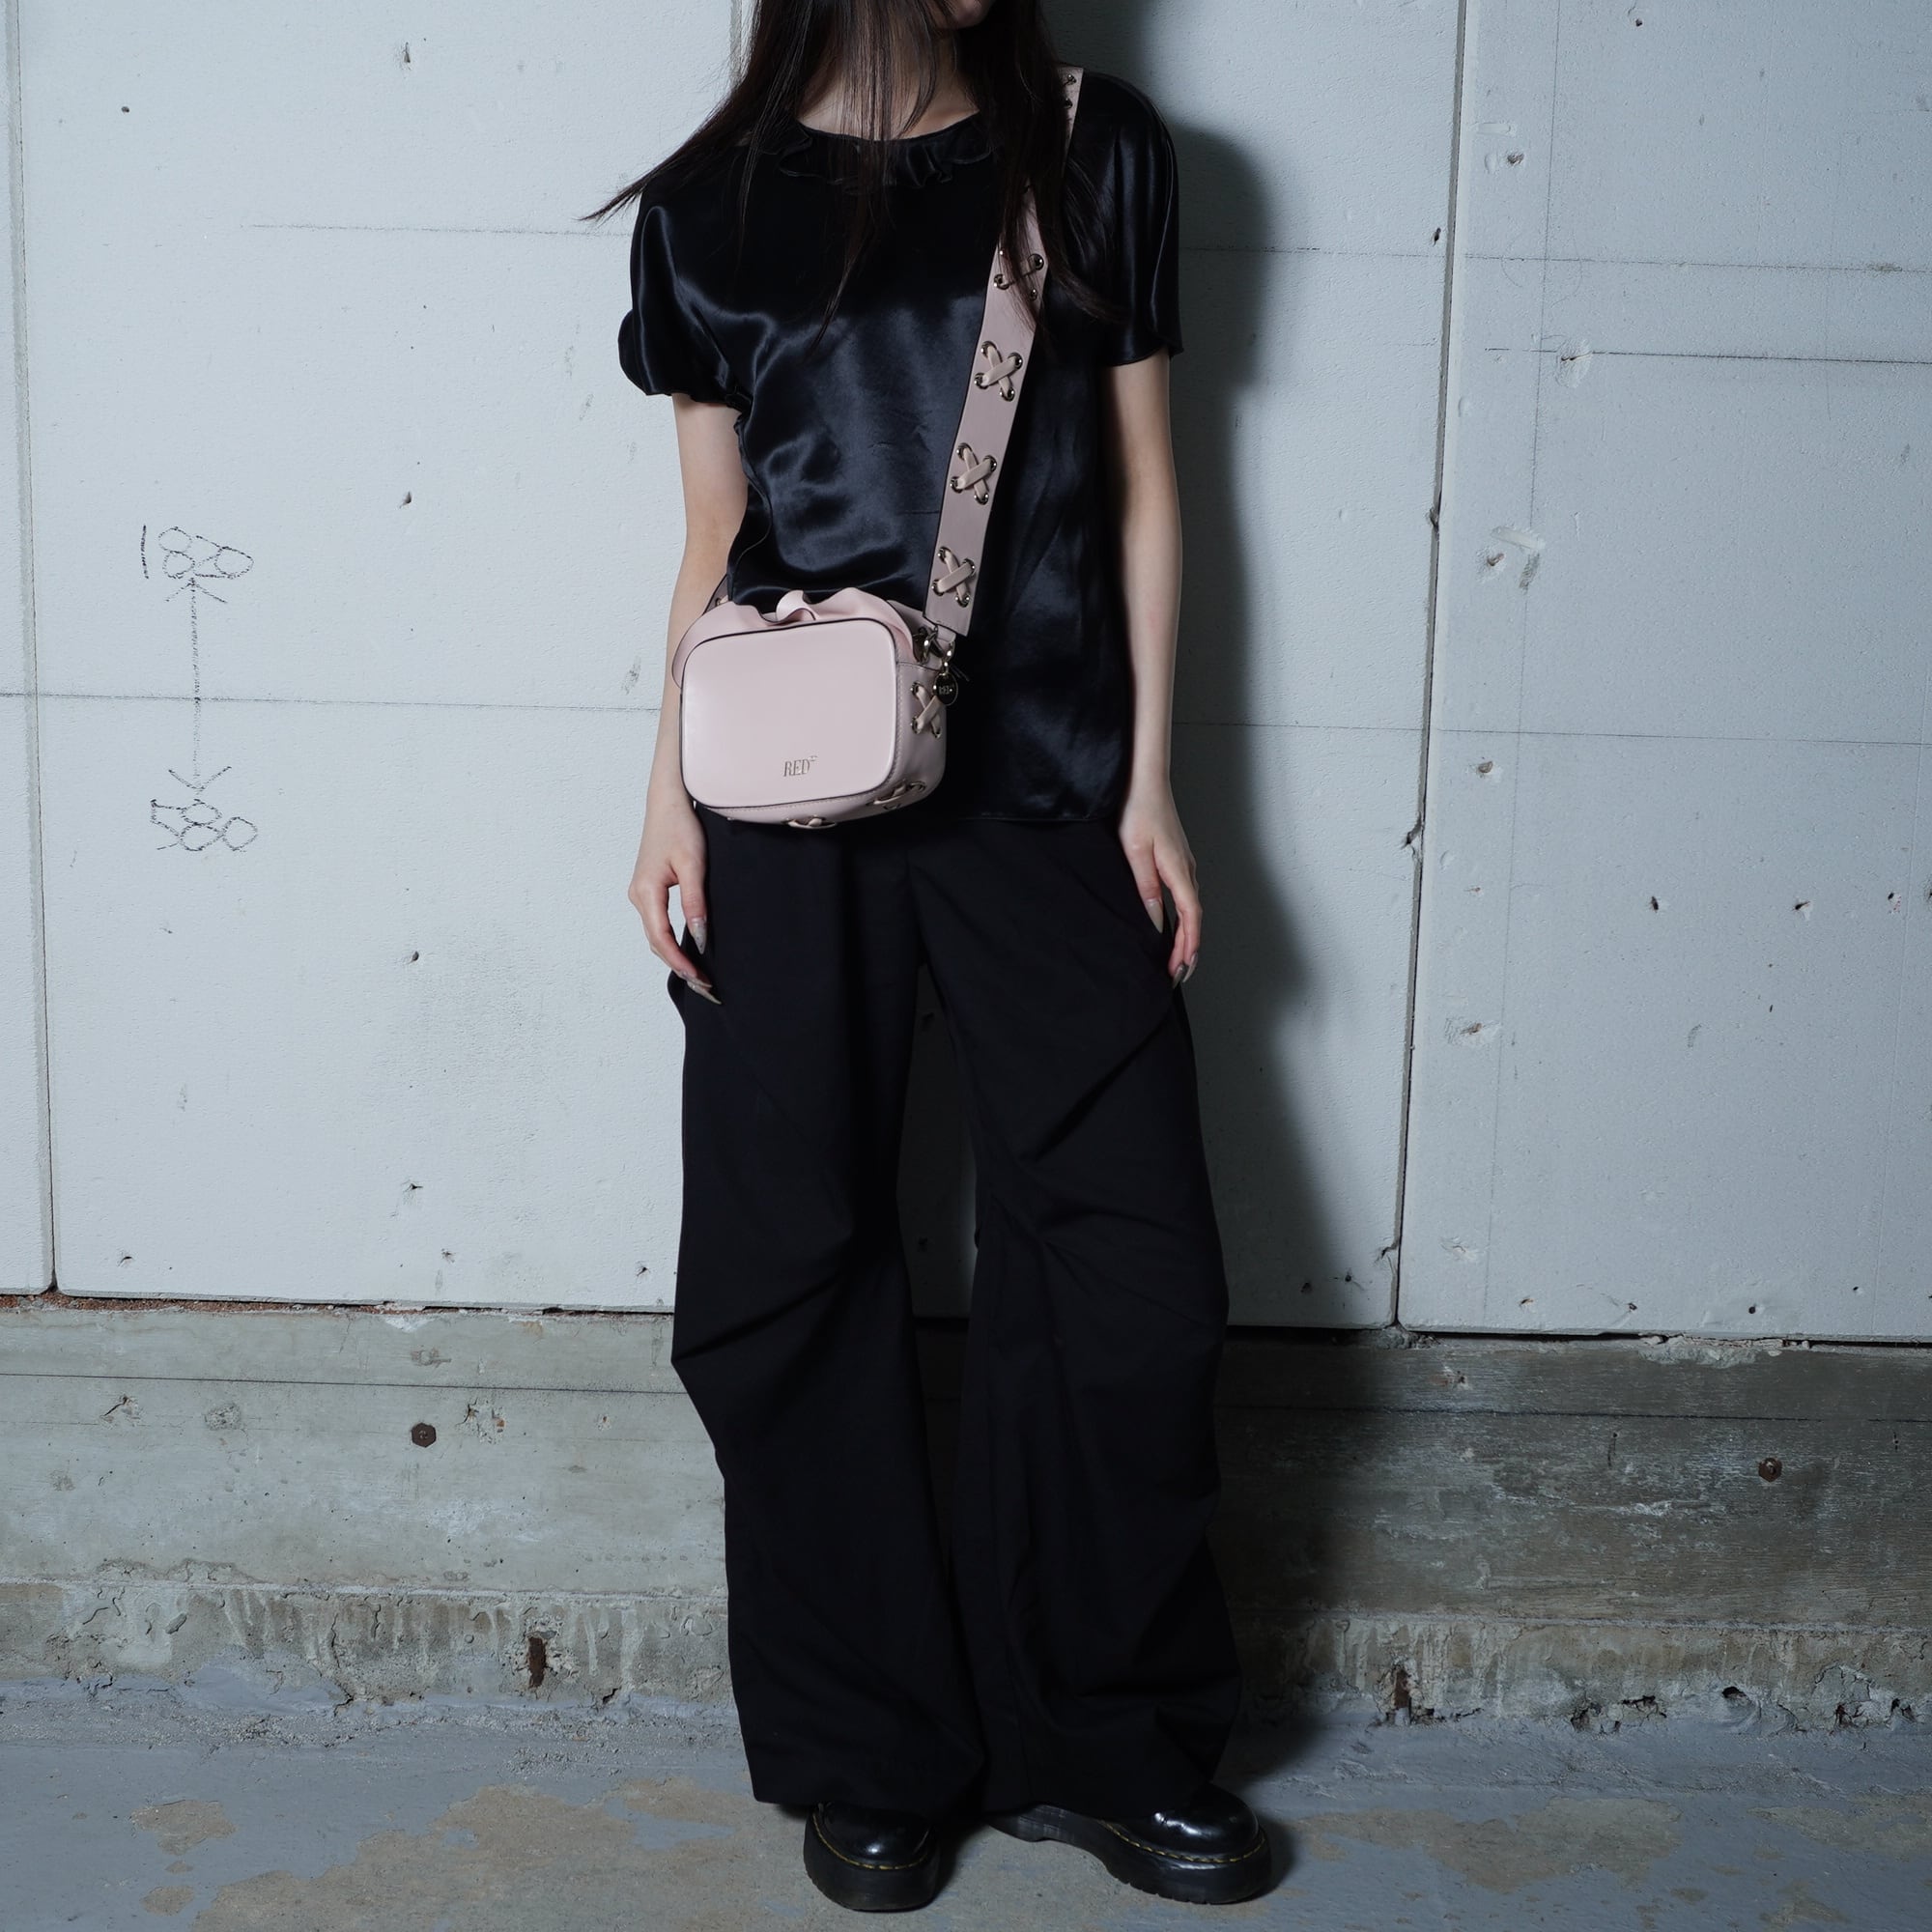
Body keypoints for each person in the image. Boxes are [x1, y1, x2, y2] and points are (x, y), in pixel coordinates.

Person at [590, 0, 1269, 1911]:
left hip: (1045, 792)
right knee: (784, 1266)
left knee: (1131, 1270)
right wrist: (660, 800)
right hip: (780, 798)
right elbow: (714, 537)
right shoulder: (707, 206)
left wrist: (1152, 778)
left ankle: (1107, 1734)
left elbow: (1150, 482)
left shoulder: (1095, 149)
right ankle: (872, 1747)